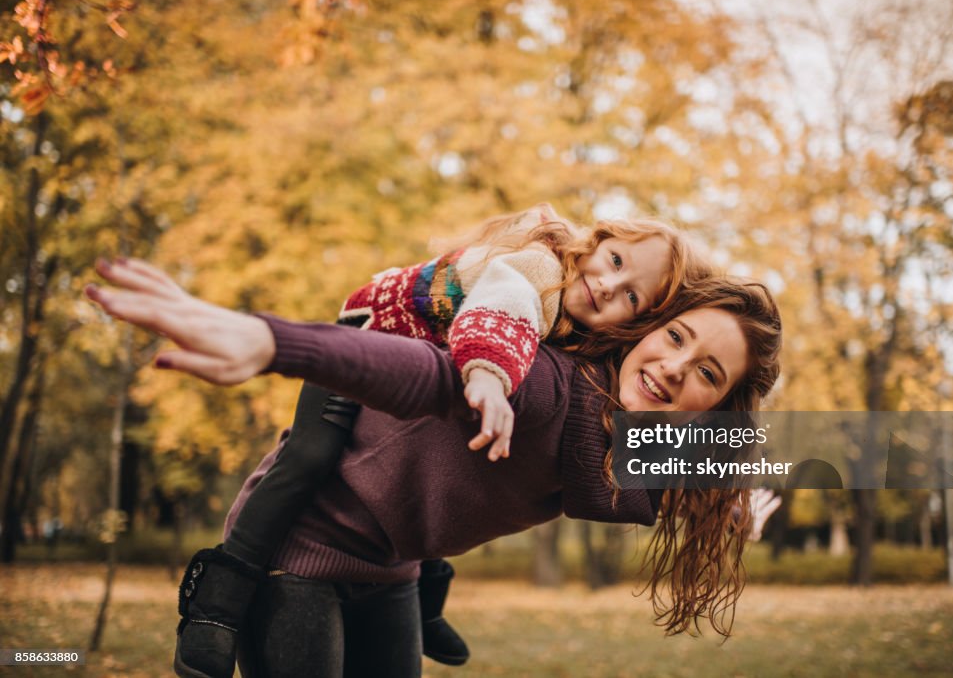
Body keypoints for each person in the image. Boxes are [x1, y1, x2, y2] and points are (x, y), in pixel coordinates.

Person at [87, 262, 782, 678]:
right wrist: (273, 341)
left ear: (714, 409)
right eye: (676, 337)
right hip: (302, 546)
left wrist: (732, 510)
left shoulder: (635, 446)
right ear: (651, 328)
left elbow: (684, 487)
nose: (673, 367)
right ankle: (218, 600)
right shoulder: (549, 389)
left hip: (393, 568)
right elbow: (417, 373)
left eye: (707, 373)